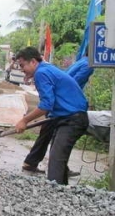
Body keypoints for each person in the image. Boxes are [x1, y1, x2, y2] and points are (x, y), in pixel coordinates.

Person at [15, 47, 88, 185]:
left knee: (56, 161)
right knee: (58, 159)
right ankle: (62, 193)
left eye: (22, 65)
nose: (21, 69)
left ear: (33, 62)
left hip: (73, 119)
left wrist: (24, 120)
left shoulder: (41, 73)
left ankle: (55, 196)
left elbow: (46, 105)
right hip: (65, 117)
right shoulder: (46, 68)